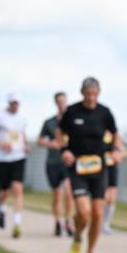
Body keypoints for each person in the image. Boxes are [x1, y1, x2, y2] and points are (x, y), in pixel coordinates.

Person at [57, 77, 123, 253]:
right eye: (88, 94)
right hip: (77, 167)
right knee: (83, 212)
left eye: (94, 94)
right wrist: (64, 150)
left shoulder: (104, 112)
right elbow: (60, 134)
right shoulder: (72, 112)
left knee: (97, 213)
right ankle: (77, 239)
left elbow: (115, 133)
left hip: (98, 168)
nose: (91, 98)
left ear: (99, 93)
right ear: (82, 93)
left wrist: (117, 150)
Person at [0, 94, 30, 238]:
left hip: (18, 157)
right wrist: (1, 144)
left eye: (18, 103)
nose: (15, 106)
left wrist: (25, 146)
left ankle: (17, 223)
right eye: (13, 103)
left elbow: (22, 135)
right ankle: (2, 207)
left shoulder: (22, 119)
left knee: (17, 188)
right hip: (3, 158)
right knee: (4, 191)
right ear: (9, 103)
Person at [37, 91, 76, 237]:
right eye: (59, 101)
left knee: (69, 190)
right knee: (57, 195)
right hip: (52, 162)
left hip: (67, 162)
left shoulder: (73, 120)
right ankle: (57, 221)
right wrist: (50, 143)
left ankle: (68, 221)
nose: (61, 104)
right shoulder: (49, 122)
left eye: (63, 101)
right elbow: (39, 140)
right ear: (55, 103)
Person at [101, 127, 127, 235]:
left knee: (112, 198)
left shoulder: (115, 136)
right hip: (101, 168)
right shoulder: (97, 132)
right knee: (104, 196)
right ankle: (98, 221)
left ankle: (106, 224)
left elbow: (125, 153)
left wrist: (119, 156)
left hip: (112, 168)